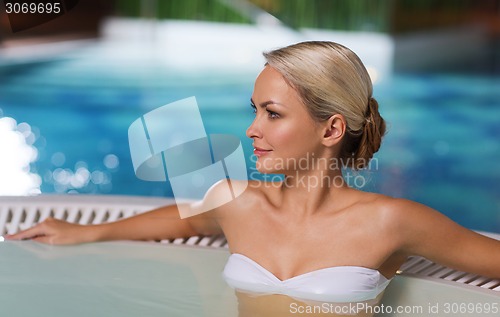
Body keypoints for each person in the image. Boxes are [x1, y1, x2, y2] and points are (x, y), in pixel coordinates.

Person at [6, 41, 500, 314]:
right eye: (254, 110)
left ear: (331, 128)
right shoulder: (235, 202)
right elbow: (187, 222)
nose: (251, 129)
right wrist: (88, 232)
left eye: (272, 114)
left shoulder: (391, 222)